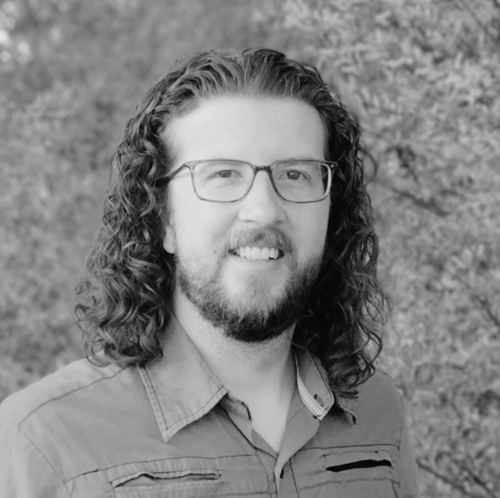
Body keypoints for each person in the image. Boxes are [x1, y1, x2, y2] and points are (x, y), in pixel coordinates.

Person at [0, 48, 418, 497]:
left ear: (331, 212)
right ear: (163, 219)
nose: (263, 210)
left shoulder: (378, 414)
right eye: (223, 175)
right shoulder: (42, 443)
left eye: (295, 174)